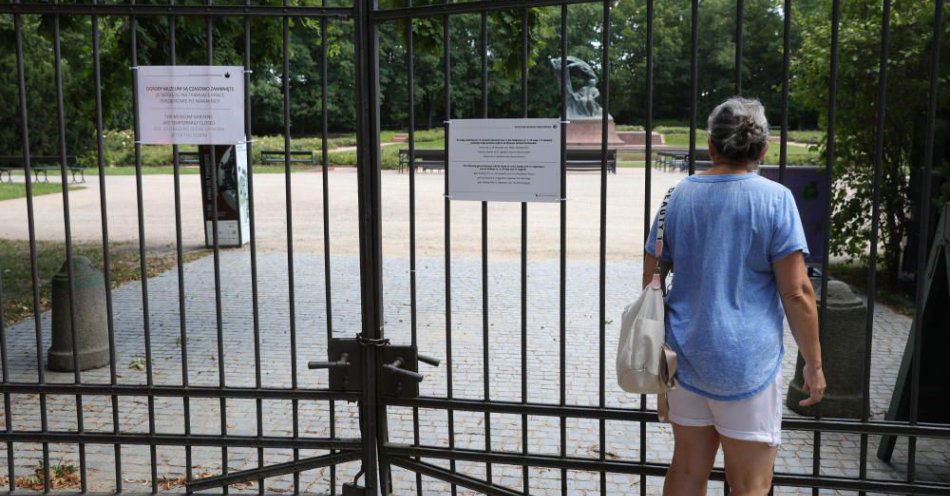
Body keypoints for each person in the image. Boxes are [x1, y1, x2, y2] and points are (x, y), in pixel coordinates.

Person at [643, 97, 826, 496]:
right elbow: (796, 292)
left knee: (687, 472)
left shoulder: (676, 197)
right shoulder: (776, 200)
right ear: (763, 149)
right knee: (750, 485)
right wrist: (813, 364)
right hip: (749, 365)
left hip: (684, 360)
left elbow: (651, 285)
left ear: (710, 145)